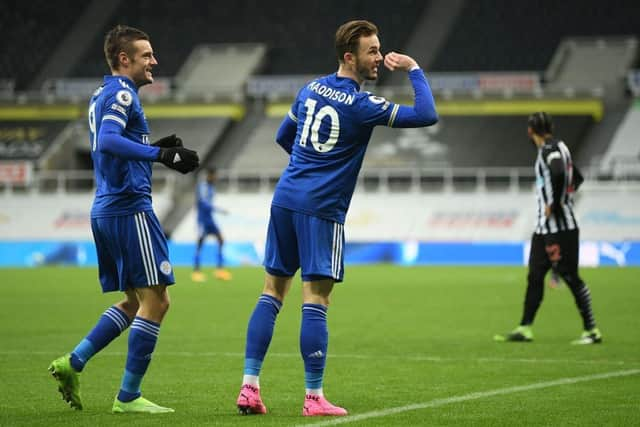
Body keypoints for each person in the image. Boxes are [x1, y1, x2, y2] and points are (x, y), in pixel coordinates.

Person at [235, 20, 438, 417]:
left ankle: (249, 387)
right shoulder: (363, 105)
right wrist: (414, 69)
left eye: (379, 49)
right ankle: (314, 398)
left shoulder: (310, 88)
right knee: (317, 298)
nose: (379, 57)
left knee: (272, 292)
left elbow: (283, 137)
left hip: (285, 199)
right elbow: (426, 114)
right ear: (350, 57)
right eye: (372, 51)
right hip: (322, 209)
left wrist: (308, 167)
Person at [48, 24, 199, 414]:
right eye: (146, 55)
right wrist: (158, 157)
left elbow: (116, 141)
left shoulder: (106, 92)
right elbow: (109, 141)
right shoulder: (119, 91)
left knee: (135, 300)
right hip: (128, 208)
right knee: (158, 301)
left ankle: (73, 362)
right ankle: (128, 396)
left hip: (109, 207)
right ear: (123, 59)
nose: (155, 61)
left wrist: (155, 146)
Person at [495, 112, 601, 345]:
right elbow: (578, 177)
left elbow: (559, 172)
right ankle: (525, 328)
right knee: (535, 276)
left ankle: (591, 330)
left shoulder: (548, 151)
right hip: (543, 229)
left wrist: (554, 203)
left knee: (570, 276)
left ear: (530, 131)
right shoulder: (561, 147)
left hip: (560, 227)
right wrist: (566, 195)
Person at [191, 167, 232, 282]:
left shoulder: (211, 188)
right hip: (203, 220)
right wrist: (219, 210)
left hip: (210, 219)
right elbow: (203, 203)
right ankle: (196, 271)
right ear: (209, 175)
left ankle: (219, 270)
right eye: (214, 176)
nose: (216, 178)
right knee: (200, 244)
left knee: (221, 239)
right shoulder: (203, 187)